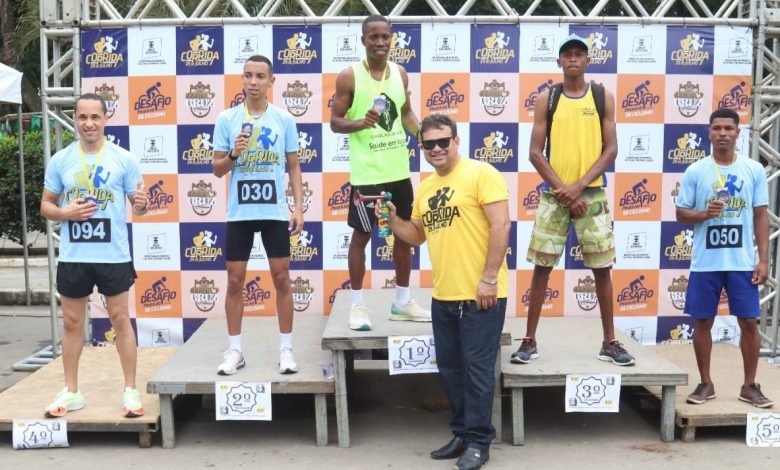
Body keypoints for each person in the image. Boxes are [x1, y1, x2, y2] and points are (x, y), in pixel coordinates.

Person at [381, 114, 510, 470]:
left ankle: (480, 441)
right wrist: (393, 220)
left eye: (443, 141)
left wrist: (488, 279)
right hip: (444, 296)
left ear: (456, 141)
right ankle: (463, 433)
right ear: (421, 147)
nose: (436, 148)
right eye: (429, 144)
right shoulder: (425, 187)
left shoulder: (481, 173)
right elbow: (416, 235)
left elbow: (501, 225)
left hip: (481, 294)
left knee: (477, 371)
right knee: (451, 370)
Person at [515, 34, 635, 366]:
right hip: (555, 196)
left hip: (591, 194)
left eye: (578, 54)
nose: (572, 58)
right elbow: (535, 153)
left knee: (602, 269)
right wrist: (565, 192)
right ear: (558, 61)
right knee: (542, 267)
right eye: (566, 54)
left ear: (587, 61)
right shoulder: (548, 98)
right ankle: (529, 340)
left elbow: (611, 149)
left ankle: (610, 342)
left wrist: (579, 187)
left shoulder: (601, 96)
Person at [40, 93, 149, 417]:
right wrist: (66, 213)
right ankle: (71, 391)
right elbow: (46, 205)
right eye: (83, 117)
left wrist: (142, 205)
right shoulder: (61, 160)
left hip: (113, 255)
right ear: (75, 119)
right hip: (74, 256)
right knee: (72, 322)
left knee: (120, 320)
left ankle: (130, 391)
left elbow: (139, 207)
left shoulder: (124, 159)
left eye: (95, 117)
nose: (89, 123)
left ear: (105, 119)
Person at [331, 14, 428, 331]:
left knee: (403, 236)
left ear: (391, 38)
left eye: (385, 36)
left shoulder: (400, 73)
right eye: (373, 37)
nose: (380, 42)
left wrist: (424, 136)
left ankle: (402, 301)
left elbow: (406, 113)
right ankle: (357, 305)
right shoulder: (349, 76)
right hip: (367, 175)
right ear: (363, 40)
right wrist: (361, 123)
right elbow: (335, 122)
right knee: (361, 237)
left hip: (399, 172)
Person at [212, 55, 304, 375]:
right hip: (240, 213)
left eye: (260, 76)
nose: (253, 82)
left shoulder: (284, 119)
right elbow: (217, 169)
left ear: (271, 81)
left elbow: (293, 165)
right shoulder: (227, 119)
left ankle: (286, 350)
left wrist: (298, 207)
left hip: (274, 211)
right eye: (248, 75)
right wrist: (234, 153)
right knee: (235, 280)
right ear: (242, 79)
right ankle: (235, 351)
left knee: (281, 278)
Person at [677, 108, 773, 408]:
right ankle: (706, 383)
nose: (722, 133)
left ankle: (749, 386)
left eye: (728, 128)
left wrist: (763, 260)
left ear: (737, 133)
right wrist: (704, 214)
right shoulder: (696, 171)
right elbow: (681, 214)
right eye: (717, 128)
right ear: (709, 132)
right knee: (703, 322)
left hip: (741, 262)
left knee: (749, 322)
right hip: (706, 262)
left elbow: (760, 216)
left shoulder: (753, 169)